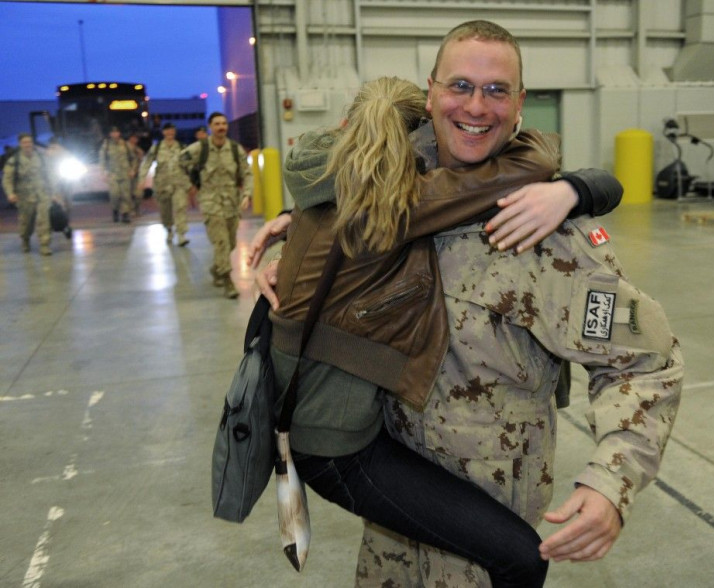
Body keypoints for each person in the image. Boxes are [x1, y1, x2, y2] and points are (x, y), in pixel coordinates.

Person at [254, 20, 684, 588]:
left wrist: (611, 482)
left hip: (488, 523)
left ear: (519, 103)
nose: (476, 106)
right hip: (394, 519)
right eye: (460, 86)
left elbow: (648, 363)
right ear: (429, 92)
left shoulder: (543, 235)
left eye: (496, 90)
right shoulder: (390, 191)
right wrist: (296, 237)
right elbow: (343, 224)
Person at [270, 76, 573, 587]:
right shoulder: (392, 205)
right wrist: (578, 187)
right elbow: (537, 159)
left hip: (311, 421)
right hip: (339, 449)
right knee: (521, 556)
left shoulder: (319, 181)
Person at [179, 112, 252, 299]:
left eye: (224, 123)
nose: (221, 127)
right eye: (217, 124)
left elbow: (247, 173)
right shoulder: (200, 148)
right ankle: (228, 280)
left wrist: (247, 194)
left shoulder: (235, 150)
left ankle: (216, 268)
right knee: (221, 241)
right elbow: (179, 162)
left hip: (232, 203)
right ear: (210, 127)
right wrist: (190, 186)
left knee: (232, 243)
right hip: (210, 202)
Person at [137, 123, 190, 246]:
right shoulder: (156, 148)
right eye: (167, 130)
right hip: (162, 184)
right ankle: (169, 229)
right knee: (165, 210)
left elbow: (190, 164)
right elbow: (146, 163)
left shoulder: (182, 147)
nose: (170, 133)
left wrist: (193, 180)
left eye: (172, 130)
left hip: (179, 183)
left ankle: (181, 234)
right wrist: (142, 180)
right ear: (163, 132)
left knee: (180, 207)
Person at [2, 133, 54, 255]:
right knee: (26, 223)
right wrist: (10, 193)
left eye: (29, 142)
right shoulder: (14, 160)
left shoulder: (41, 158)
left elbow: (51, 175)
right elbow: (7, 179)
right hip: (24, 196)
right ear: (20, 144)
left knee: (44, 220)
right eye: (25, 142)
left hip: (42, 194)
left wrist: (54, 192)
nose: (27, 145)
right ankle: (25, 240)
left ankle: (44, 245)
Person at [99, 126, 136, 223]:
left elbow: (133, 158)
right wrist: (102, 172)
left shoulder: (126, 145)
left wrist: (132, 170)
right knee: (114, 194)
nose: (115, 134)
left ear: (119, 133)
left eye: (116, 132)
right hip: (113, 174)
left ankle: (125, 214)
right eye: (113, 132)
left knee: (125, 195)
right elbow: (102, 160)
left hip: (125, 173)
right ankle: (115, 210)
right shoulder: (106, 145)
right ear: (110, 134)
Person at [127, 133, 145, 216]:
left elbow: (141, 159)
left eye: (136, 138)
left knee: (139, 194)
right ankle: (131, 210)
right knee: (129, 194)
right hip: (127, 173)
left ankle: (136, 209)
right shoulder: (125, 148)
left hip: (137, 174)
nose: (135, 140)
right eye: (133, 138)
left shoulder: (138, 149)